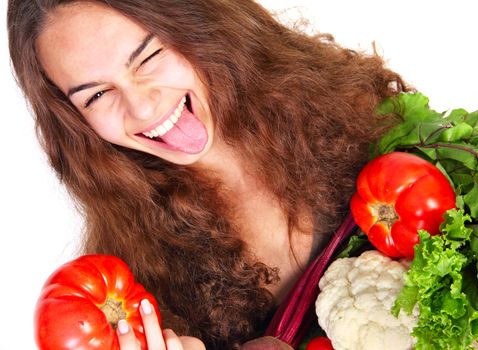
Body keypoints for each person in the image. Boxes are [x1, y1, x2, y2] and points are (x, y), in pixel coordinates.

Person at [7, 0, 406, 348]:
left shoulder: (362, 116)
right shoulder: (133, 296)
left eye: (148, 57)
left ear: (198, 25)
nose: (143, 108)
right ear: (73, 122)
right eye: (95, 95)